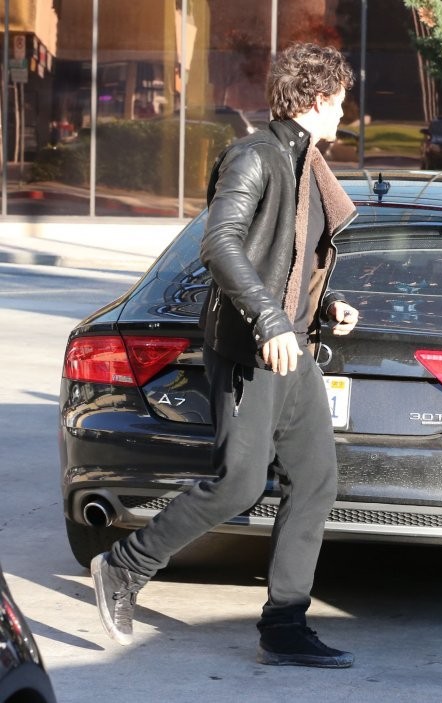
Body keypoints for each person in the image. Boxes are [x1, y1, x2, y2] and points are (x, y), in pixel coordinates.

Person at [90, 43, 361, 668]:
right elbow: (220, 244)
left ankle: (285, 626)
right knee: (239, 483)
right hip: (252, 347)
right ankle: (126, 566)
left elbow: (288, 261)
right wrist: (268, 318)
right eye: (341, 103)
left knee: (316, 481)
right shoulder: (255, 155)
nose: (345, 114)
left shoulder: (307, 167)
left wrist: (323, 309)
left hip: (294, 350)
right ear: (317, 101)